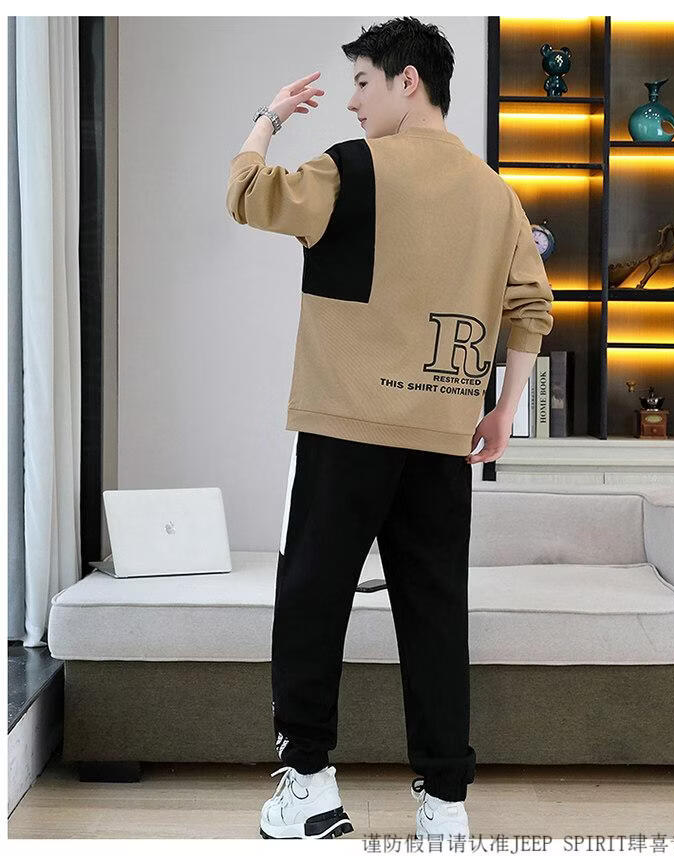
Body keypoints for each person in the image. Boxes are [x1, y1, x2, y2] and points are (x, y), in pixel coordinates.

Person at [225, 16, 554, 840]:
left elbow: (246, 194)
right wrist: (502, 411)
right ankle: (445, 807)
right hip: (443, 436)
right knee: (436, 613)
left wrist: (268, 118)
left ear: (410, 81)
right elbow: (533, 308)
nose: (352, 102)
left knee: (312, 598)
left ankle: (309, 786)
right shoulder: (496, 193)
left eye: (363, 82)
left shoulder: (349, 168)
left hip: (345, 427)